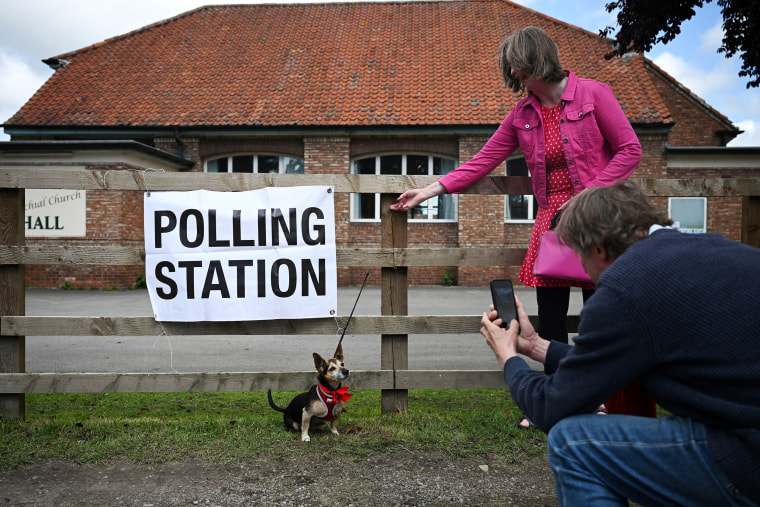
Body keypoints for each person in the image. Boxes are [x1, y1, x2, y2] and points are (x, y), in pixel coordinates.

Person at [391, 26, 643, 427]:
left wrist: (587, 195)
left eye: (519, 66)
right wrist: (430, 191)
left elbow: (630, 149)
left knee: (600, 315)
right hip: (552, 224)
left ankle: (602, 400)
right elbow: (483, 160)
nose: (515, 75)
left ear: (537, 59)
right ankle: (559, 399)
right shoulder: (522, 114)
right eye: (512, 70)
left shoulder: (595, 94)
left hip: (598, 218)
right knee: (553, 316)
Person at [480, 180, 760, 506]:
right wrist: (535, 345)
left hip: (747, 457)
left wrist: (508, 357)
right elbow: (619, 360)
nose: (582, 271)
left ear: (599, 249)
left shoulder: (625, 288)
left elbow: (551, 407)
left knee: (573, 444)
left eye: (579, 258)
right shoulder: (723, 250)